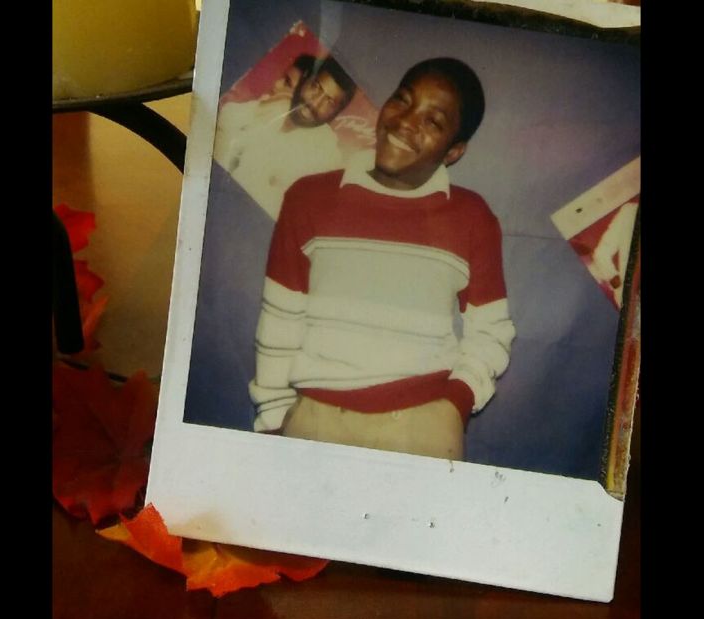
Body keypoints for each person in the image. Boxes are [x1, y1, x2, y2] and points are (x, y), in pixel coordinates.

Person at [249, 58, 515, 461]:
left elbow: (491, 332)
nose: (407, 122)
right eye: (403, 100)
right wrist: (273, 419)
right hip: (316, 422)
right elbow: (280, 319)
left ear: (454, 150)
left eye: (433, 122)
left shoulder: (471, 217)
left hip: (423, 428)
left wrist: (453, 405)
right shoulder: (309, 198)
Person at [214, 55, 357, 220]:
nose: (315, 103)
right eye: (316, 87)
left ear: (335, 115)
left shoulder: (326, 158)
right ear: (305, 78)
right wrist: (260, 109)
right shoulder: (278, 105)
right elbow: (225, 120)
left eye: (329, 102)